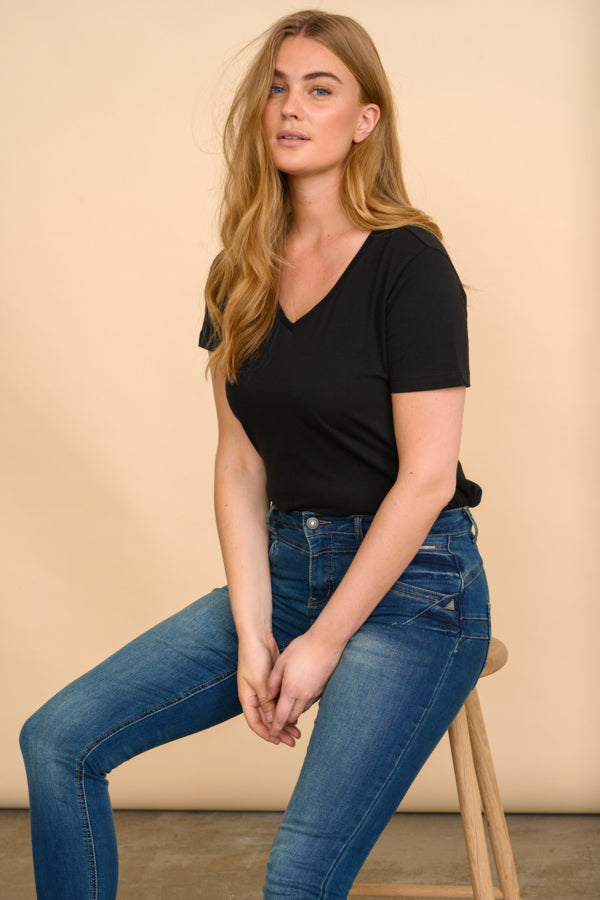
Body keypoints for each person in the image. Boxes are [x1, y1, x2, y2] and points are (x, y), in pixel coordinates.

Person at [20, 9, 490, 899]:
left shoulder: (409, 264)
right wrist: (254, 632)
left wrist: (321, 642)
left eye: (320, 89)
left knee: (296, 878)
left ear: (365, 120)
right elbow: (239, 465)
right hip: (284, 568)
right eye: (277, 88)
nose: (291, 107)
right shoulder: (239, 271)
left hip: (413, 590)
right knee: (56, 741)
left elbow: (428, 477)